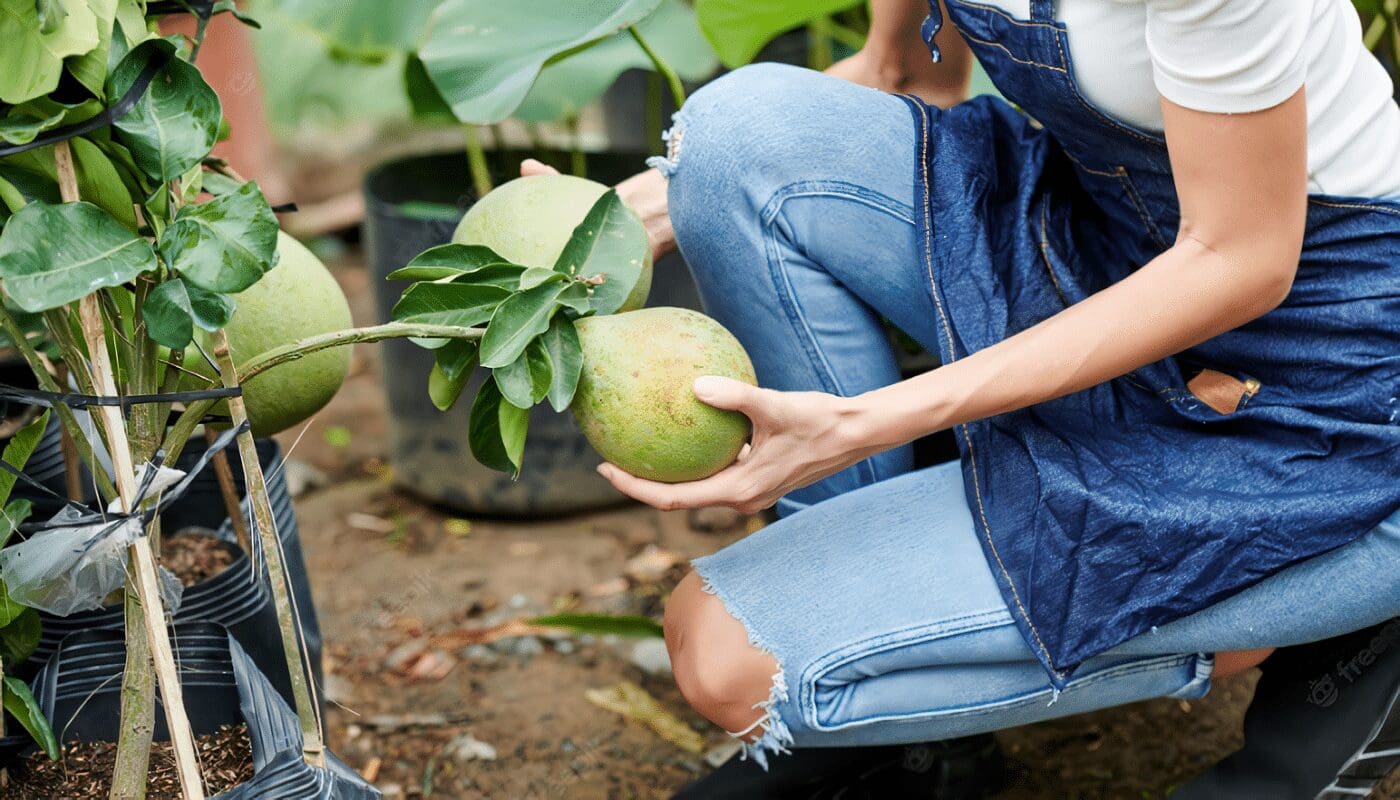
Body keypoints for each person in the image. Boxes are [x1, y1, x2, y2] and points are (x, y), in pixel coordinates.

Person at [530, 0, 1400, 794]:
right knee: (725, 141)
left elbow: (1240, 259)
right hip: (1098, 249)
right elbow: (904, 74)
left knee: (728, 658)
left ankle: (1262, 618)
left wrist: (872, 423)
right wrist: (647, 210)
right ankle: (903, 728)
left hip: (1324, 383)